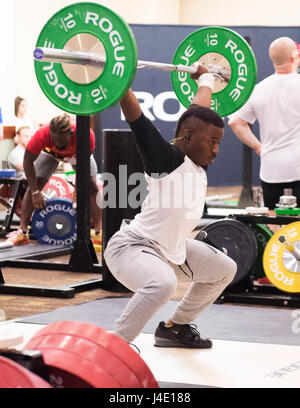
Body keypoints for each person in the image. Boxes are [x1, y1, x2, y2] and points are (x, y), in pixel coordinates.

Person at [103, 66, 237, 348]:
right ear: (187, 138)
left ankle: (175, 328)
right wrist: (119, 79)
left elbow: (198, 112)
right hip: (132, 248)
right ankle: (114, 347)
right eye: (212, 142)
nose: (216, 150)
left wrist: (206, 80)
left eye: (219, 142)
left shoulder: (195, 156)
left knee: (225, 269)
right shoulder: (167, 160)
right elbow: (137, 121)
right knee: (163, 284)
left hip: (172, 251)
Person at [6, 113, 102, 246]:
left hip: (77, 154)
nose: (59, 144)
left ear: (71, 133)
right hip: (50, 153)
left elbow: (84, 164)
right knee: (34, 186)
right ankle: (22, 232)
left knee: (92, 186)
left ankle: (98, 232)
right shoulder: (41, 135)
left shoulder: (86, 135)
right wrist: (35, 192)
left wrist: (77, 187)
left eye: (62, 141)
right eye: (55, 140)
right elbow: (27, 161)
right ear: (50, 134)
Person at [228, 37, 300, 213]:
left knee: (274, 224)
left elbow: (235, 121)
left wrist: (259, 147)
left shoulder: (258, 89)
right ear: (293, 56)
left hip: (271, 169)